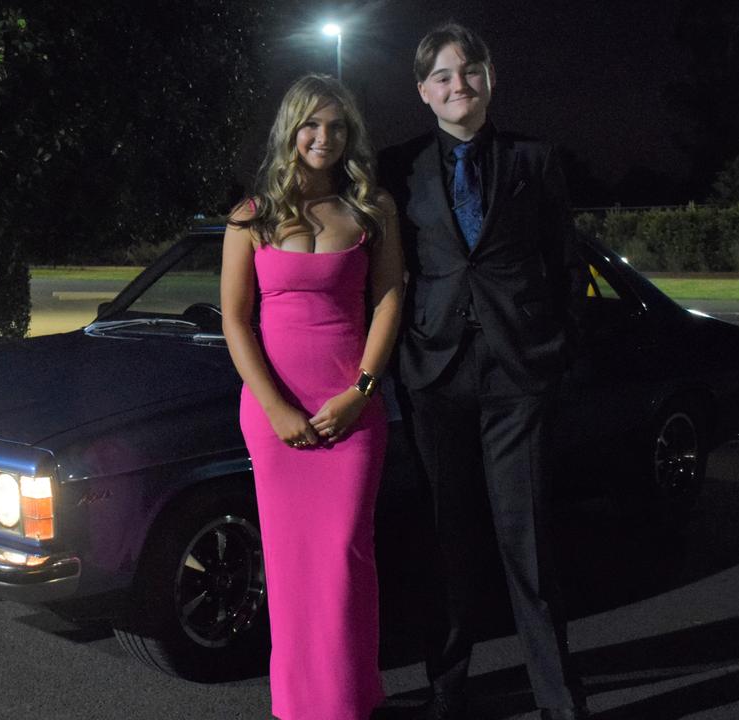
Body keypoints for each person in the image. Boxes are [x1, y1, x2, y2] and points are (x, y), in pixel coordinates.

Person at [377, 23, 589, 720]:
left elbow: (567, 265)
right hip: (434, 376)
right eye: (441, 76)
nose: (457, 85)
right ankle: (446, 691)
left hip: (517, 377)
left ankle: (559, 700)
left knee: (527, 545)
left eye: (468, 72)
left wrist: (554, 351)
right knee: (445, 544)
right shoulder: (398, 168)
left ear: (490, 80)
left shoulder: (535, 158)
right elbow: (382, 268)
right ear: (422, 92)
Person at [221, 74, 404, 720]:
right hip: (274, 415)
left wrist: (362, 391)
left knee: (345, 556)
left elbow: (388, 301)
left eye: (337, 127)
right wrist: (275, 409)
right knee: (292, 563)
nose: (324, 138)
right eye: (311, 125)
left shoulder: (372, 208)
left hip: (350, 413)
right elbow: (235, 321)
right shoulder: (251, 217)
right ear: (290, 130)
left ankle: (351, 700)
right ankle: (300, 706)